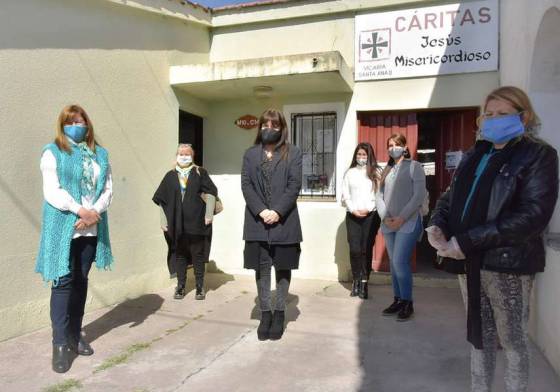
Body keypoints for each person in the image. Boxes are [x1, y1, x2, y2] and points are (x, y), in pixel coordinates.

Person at [427, 86, 559, 392]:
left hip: (507, 264)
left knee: (513, 341)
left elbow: (534, 215)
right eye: (488, 114)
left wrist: (466, 240)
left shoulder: (539, 155)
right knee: (480, 338)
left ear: (524, 117)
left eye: (502, 114)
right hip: (469, 260)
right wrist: (437, 223)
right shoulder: (476, 153)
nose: (493, 120)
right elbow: (452, 196)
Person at [36, 104, 114, 373]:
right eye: (71, 121)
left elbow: (107, 188)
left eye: (81, 120)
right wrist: (80, 210)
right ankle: (59, 343)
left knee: (81, 282)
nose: (77, 125)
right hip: (64, 227)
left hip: (91, 228)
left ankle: (74, 334)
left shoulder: (100, 154)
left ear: (88, 124)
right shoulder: (52, 152)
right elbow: (52, 190)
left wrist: (94, 212)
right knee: (63, 283)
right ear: (63, 125)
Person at [241, 108, 302, 341]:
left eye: (274, 125)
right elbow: (246, 185)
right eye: (265, 125)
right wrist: (262, 211)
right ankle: (265, 313)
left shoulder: (293, 153)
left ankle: (279, 312)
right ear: (260, 127)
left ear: (281, 128)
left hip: (284, 221)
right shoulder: (250, 154)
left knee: (283, 268)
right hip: (257, 222)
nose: (269, 129)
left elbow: (294, 185)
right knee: (261, 267)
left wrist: (276, 211)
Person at [153, 144, 217, 301]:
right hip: (176, 223)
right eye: (181, 153)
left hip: (197, 221)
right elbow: (161, 199)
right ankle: (180, 286)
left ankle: (200, 287)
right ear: (176, 156)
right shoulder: (170, 176)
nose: (184, 156)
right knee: (180, 255)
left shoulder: (200, 172)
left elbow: (211, 193)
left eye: (187, 153)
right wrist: (163, 221)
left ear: (192, 156)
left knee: (198, 255)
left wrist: (209, 215)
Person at [376, 133, 426, 321]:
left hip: (408, 222)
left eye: (397, 144)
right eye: (390, 145)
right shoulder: (386, 170)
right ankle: (397, 299)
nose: (393, 147)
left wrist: (402, 218)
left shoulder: (415, 167)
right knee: (394, 264)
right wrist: (385, 217)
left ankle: (407, 302)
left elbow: (418, 196)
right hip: (388, 223)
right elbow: (378, 196)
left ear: (405, 147)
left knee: (399, 261)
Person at [341, 142, 382, 299]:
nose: (361, 157)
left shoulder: (376, 172)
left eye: (364, 155)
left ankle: (365, 282)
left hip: (370, 216)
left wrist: (368, 208)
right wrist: (353, 210)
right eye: (359, 154)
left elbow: (378, 195)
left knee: (366, 249)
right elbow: (346, 194)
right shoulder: (349, 173)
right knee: (354, 249)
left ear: (369, 156)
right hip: (352, 216)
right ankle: (356, 281)